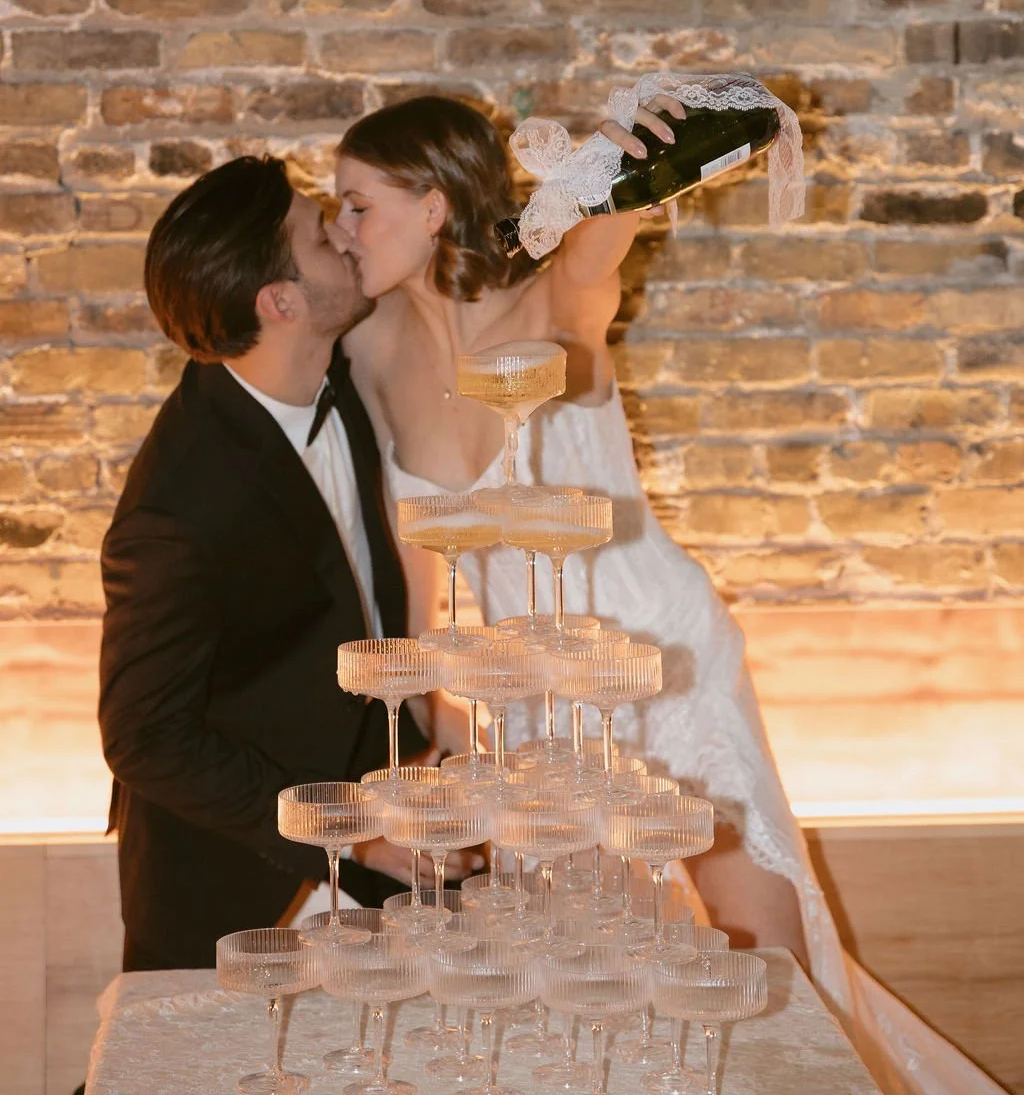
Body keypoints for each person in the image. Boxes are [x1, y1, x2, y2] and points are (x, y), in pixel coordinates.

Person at [333, 94, 1003, 1095]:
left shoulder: (555, 299)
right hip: (531, 701)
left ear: (432, 207)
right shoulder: (371, 346)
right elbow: (424, 571)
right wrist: (444, 716)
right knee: (582, 977)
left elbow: (605, 229)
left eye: (356, 206)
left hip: (665, 661)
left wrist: (617, 156)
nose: (340, 230)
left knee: (758, 960)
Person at [98, 154, 475, 973]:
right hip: (236, 887)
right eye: (320, 232)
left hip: (387, 842)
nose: (345, 234)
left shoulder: (335, 368)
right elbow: (146, 737)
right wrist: (351, 831)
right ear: (281, 303)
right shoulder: (178, 510)